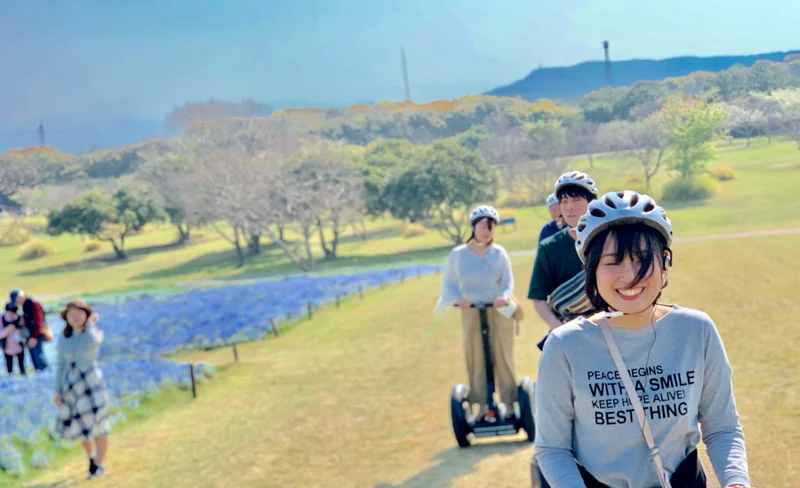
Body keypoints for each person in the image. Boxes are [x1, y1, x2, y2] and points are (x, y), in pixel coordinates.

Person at [533, 191, 751, 488]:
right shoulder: (564, 346)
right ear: (591, 270)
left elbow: (722, 426)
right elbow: (552, 448)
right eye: (613, 262)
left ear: (665, 262)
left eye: (642, 258)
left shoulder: (696, 330)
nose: (630, 276)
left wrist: (736, 481)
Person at [435, 205, 518, 419]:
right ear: (473, 227)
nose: (487, 231)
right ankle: (481, 405)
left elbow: (507, 281)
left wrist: (504, 297)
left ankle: (509, 403)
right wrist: (457, 299)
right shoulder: (459, 255)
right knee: (475, 356)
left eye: (491, 226)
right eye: (483, 226)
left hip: (497, 309)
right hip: (471, 310)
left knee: (503, 354)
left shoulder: (499, 253)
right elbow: (449, 283)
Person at [527, 171, 599, 350]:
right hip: (569, 332)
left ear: (592, 202)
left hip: (609, 326)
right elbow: (538, 300)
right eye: (564, 201)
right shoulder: (549, 247)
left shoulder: (608, 240)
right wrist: (561, 330)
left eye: (576, 200)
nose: (569, 207)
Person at [54, 298, 110, 480]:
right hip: (71, 385)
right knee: (79, 426)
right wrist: (58, 390)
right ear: (66, 318)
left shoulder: (92, 333)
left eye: (79, 313)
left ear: (86, 315)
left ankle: (99, 465)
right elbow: (61, 365)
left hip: (91, 383)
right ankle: (92, 458)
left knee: (99, 425)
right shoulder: (64, 337)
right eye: (71, 314)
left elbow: (93, 343)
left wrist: (91, 325)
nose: (75, 317)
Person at [10, 289, 48, 371]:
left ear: (20, 297)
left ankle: (46, 374)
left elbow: (39, 322)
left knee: (39, 357)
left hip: (36, 335)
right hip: (30, 335)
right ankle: (39, 375)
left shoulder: (33, 303)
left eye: (17, 301)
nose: (17, 303)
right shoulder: (25, 305)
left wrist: (34, 337)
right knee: (34, 358)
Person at [0, 303, 26, 375]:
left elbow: (24, 330)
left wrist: (19, 331)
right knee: (9, 365)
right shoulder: (2, 318)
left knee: (21, 364)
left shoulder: (19, 318)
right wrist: (7, 330)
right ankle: (10, 377)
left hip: (19, 344)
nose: (11, 314)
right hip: (7, 346)